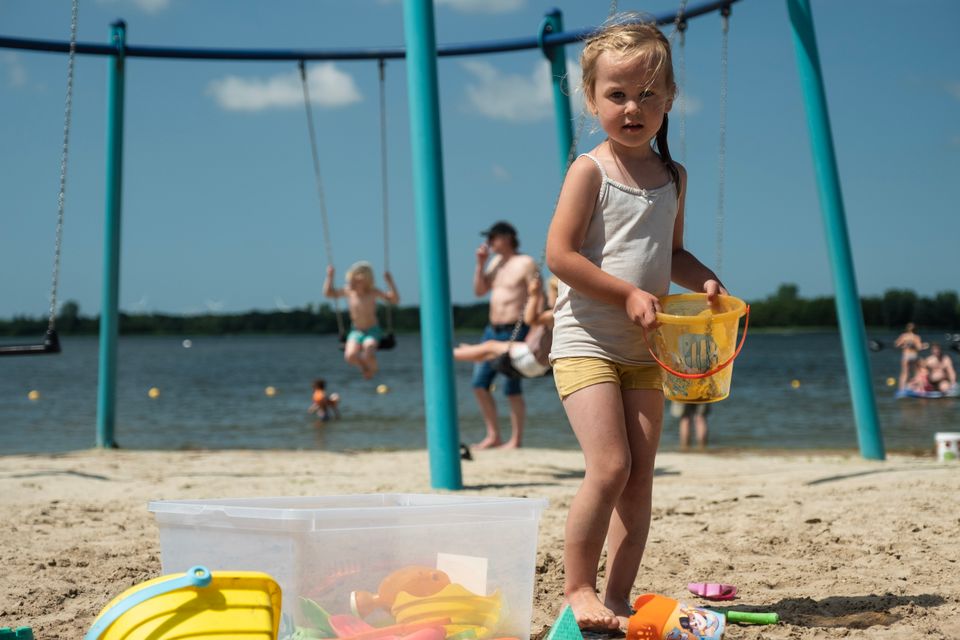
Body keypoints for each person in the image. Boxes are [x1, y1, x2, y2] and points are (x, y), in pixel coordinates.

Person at [544, 16, 727, 631]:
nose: (632, 107)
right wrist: (625, 293)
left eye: (647, 94)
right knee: (611, 466)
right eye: (616, 95)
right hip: (586, 341)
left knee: (642, 472)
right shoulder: (589, 171)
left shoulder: (673, 178)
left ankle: (618, 596)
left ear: (670, 98)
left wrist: (703, 278)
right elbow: (561, 256)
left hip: (648, 347)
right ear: (591, 99)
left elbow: (670, 253)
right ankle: (577, 589)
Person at [471, 221, 538, 449]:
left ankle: (516, 439)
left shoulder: (525, 262)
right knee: (479, 384)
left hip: (516, 331)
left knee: (511, 388)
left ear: (507, 237)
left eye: (493, 238)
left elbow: (537, 295)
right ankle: (493, 434)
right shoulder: (495, 262)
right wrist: (480, 265)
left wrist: (536, 329)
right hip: (492, 330)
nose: (489, 243)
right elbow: (480, 291)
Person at [454, 275, 557, 378]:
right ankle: (474, 352)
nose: (548, 298)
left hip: (532, 360)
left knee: (491, 346)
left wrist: (534, 295)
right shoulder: (562, 314)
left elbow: (530, 319)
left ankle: (449, 354)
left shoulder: (554, 313)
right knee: (492, 352)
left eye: (550, 293)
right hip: (541, 364)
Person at [324, 261, 399, 379]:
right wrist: (330, 276)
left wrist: (390, 282)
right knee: (349, 356)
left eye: (359, 279)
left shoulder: (373, 292)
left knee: (368, 350)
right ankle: (366, 369)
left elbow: (394, 300)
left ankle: (372, 370)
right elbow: (328, 293)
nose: (355, 281)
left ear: (366, 280)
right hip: (356, 331)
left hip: (372, 331)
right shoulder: (348, 291)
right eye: (354, 279)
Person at [894, 323, 926, 391]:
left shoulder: (903, 336)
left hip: (907, 356)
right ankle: (917, 388)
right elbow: (919, 348)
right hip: (913, 356)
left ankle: (901, 389)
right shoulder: (916, 337)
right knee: (916, 372)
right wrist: (924, 346)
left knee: (905, 373)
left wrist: (903, 345)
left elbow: (896, 344)